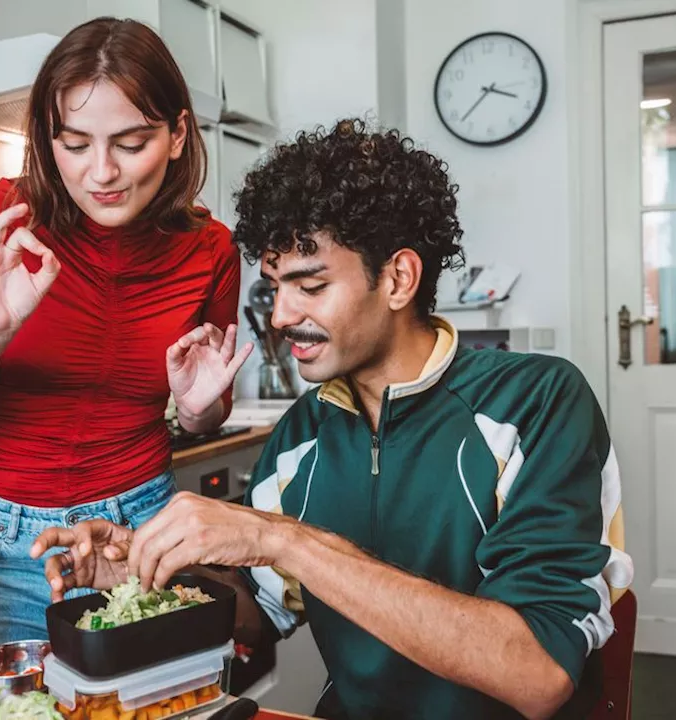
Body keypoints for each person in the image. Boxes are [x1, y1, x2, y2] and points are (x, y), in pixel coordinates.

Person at [31, 119, 633, 720]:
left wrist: (281, 540)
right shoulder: (304, 432)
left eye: (310, 286)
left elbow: (537, 673)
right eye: (274, 286)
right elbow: (260, 612)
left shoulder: (539, 402)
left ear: (398, 278)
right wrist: (152, 570)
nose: (282, 315)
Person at [0, 17, 251, 654]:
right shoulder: (6, 218)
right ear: (48, 137)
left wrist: (202, 407)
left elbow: (206, 416)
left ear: (177, 135)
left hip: (139, 541)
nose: (102, 172)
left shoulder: (210, 250)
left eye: (131, 142)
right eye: (75, 143)